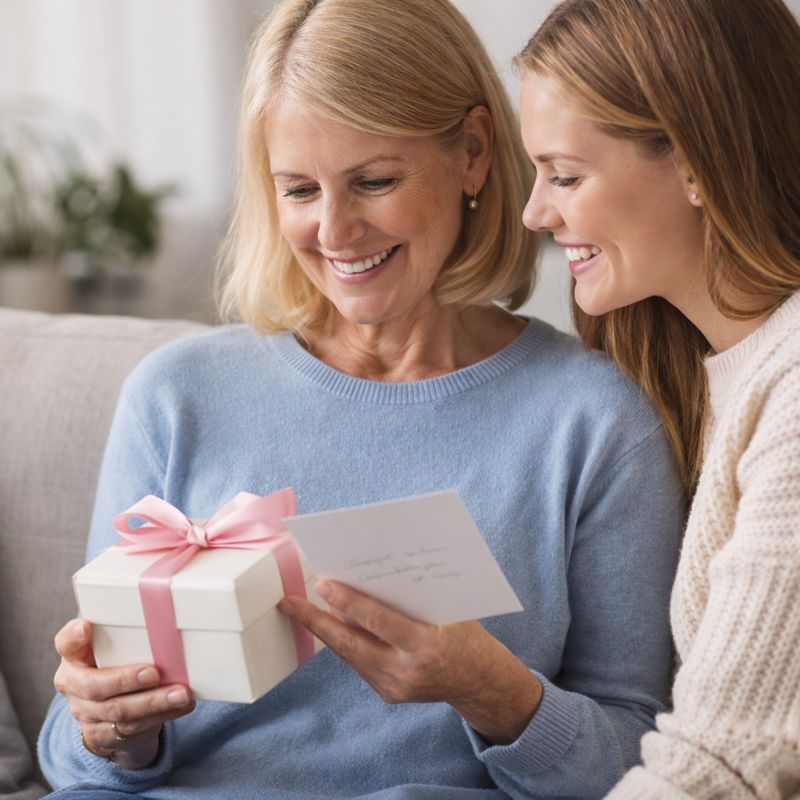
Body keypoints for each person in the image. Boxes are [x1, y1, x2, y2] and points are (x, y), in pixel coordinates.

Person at [37, 0, 685, 797]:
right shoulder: (176, 395)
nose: (336, 232)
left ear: (474, 153)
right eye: (300, 190)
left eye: (373, 182)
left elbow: (642, 762)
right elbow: (74, 759)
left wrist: (494, 692)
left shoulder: (591, 422)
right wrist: (106, 726)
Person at [516, 0, 800, 796]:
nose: (536, 212)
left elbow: (720, 765)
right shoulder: (704, 373)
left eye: (565, 174)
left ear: (697, 164)